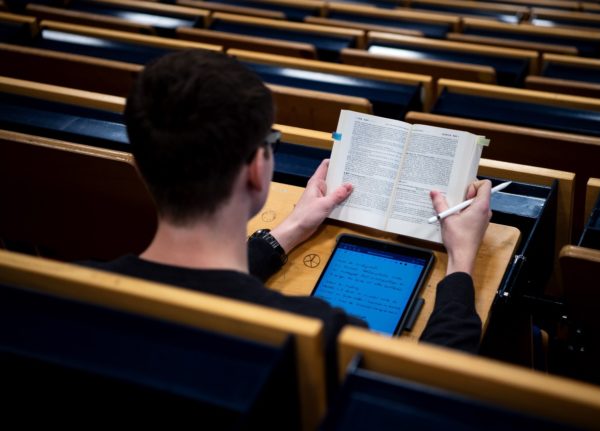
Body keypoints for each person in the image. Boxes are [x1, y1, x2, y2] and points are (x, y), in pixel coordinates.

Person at [82, 50, 491, 361]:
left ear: (139, 165)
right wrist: (461, 263)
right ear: (258, 170)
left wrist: (289, 230)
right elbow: (434, 391)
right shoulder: (317, 333)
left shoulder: (74, 291)